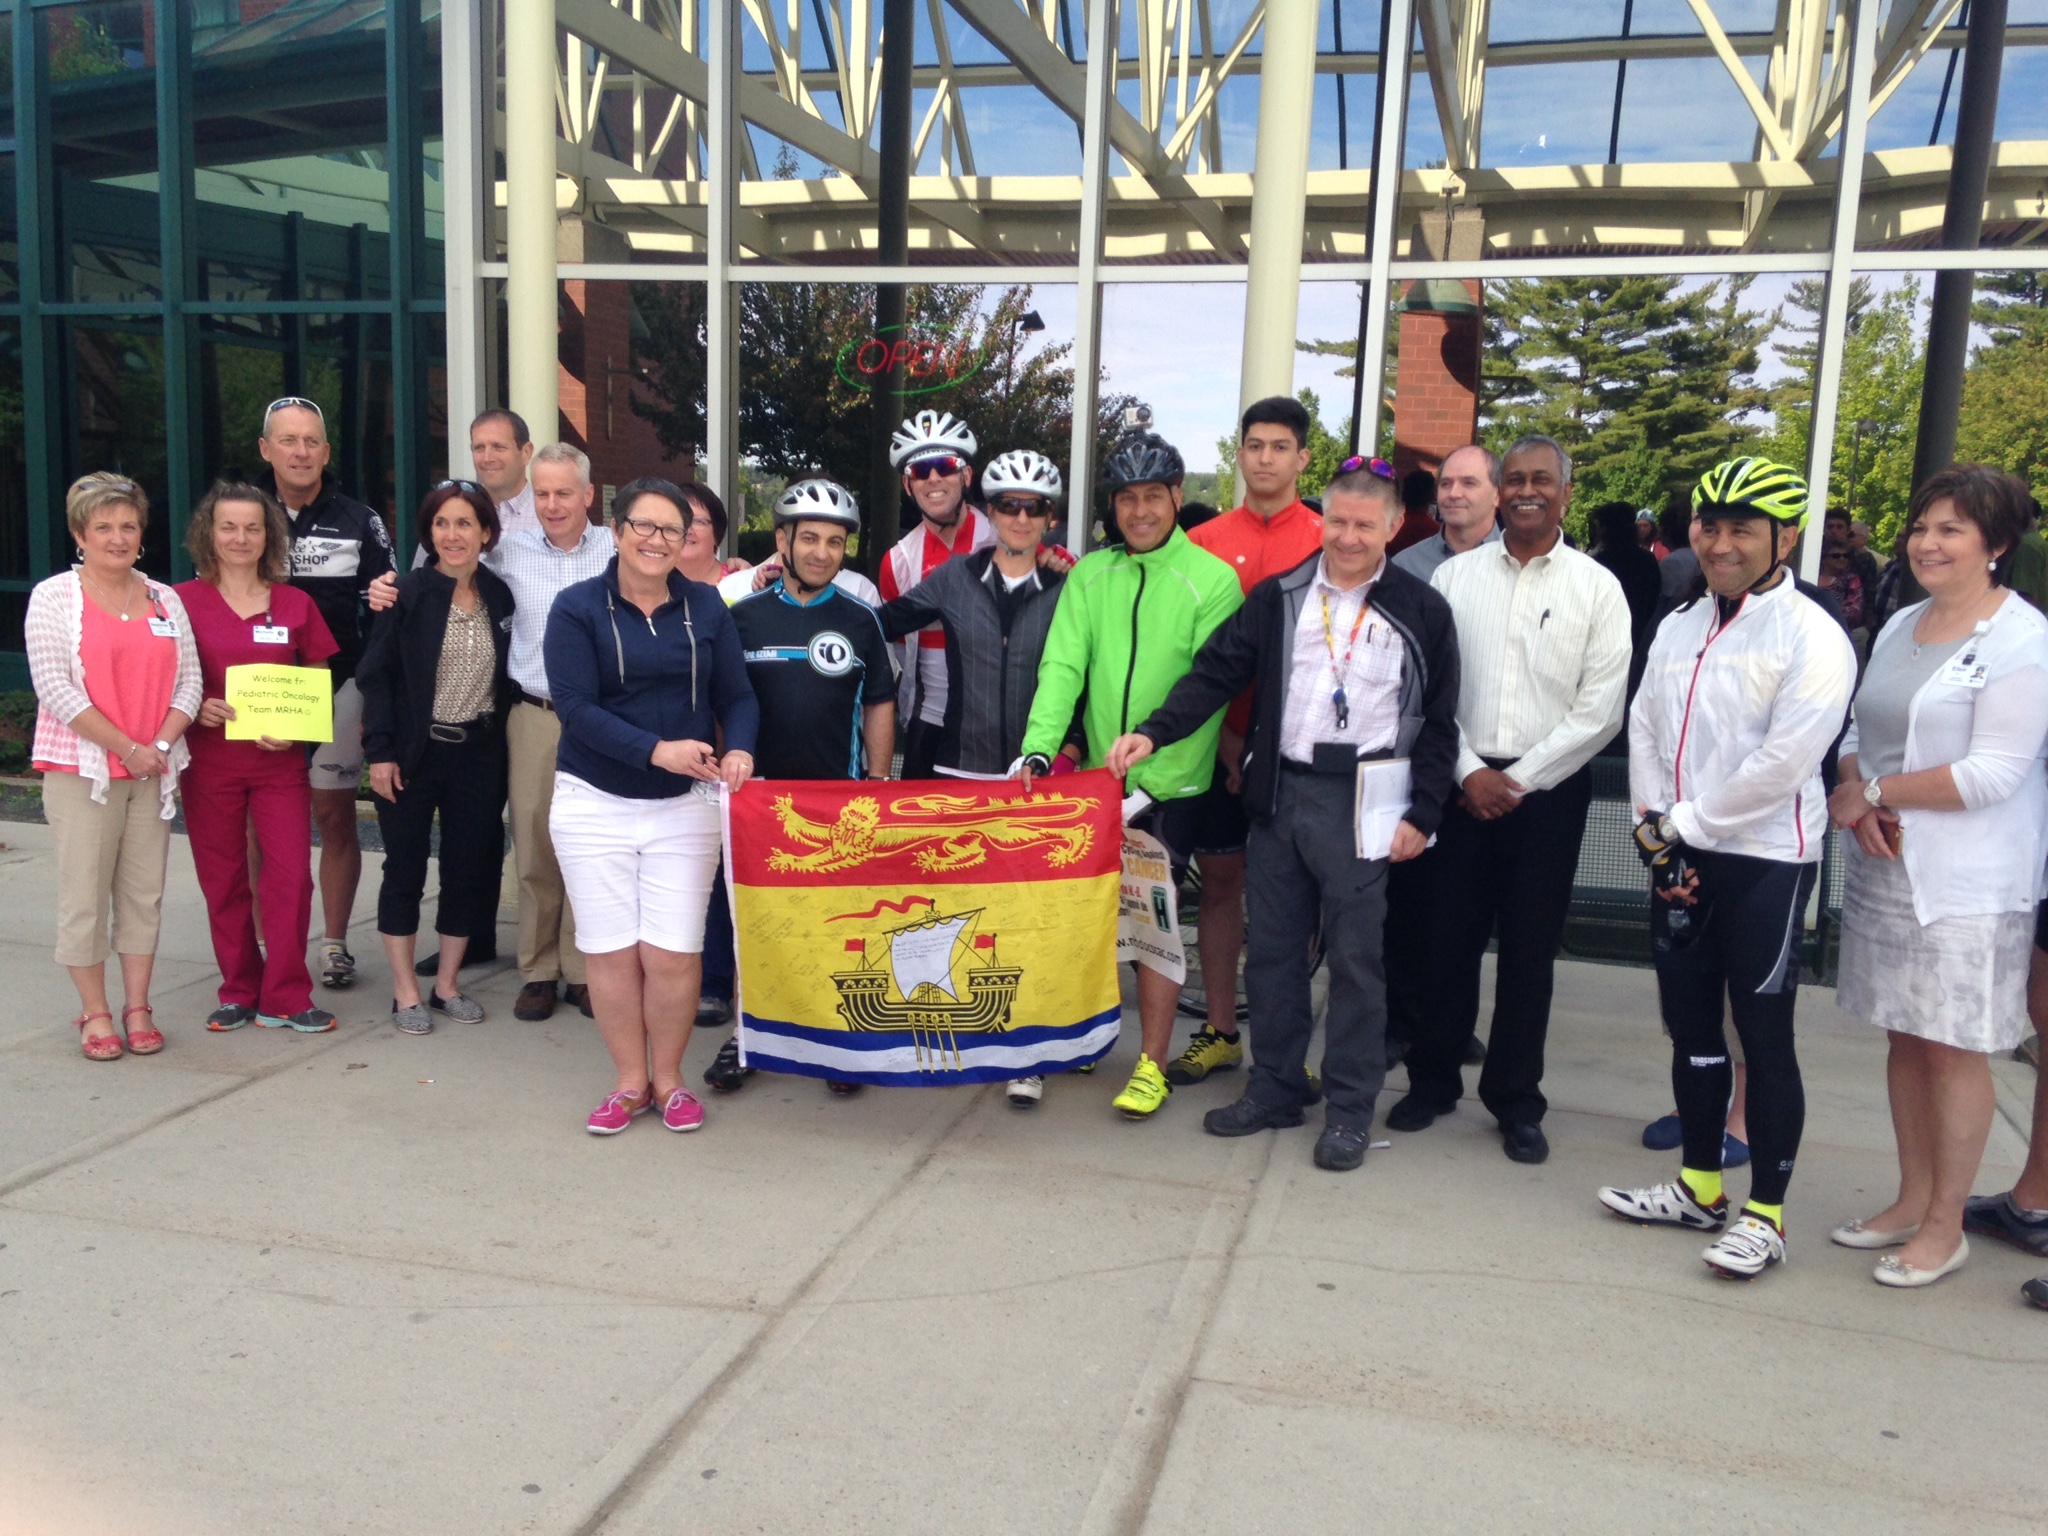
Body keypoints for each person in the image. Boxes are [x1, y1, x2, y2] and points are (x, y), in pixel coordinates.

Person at [1106, 457, 1460, 1169]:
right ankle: (1274, 1086)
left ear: (1394, 525)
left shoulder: (1422, 610)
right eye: (1338, 522)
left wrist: (1422, 813)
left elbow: (1439, 721)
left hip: (1364, 801)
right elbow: (1216, 671)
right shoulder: (1281, 596)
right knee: (1271, 951)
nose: (1349, 538)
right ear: (1322, 520)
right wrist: (1155, 731)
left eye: (1366, 525)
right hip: (1281, 794)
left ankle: (1350, 1108)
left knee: (1356, 962)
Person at [1598, 457, 1855, 1280]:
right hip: (1679, 850)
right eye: (1710, 526)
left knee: (1765, 1037)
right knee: (1692, 1028)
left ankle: (1766, 1217)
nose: (1721, 544)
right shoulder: (1681, 622)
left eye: (1743, 529)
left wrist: (1681, 825)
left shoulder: (1813, 633)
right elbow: (1644, 724)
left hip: (1764, 861)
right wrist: (1655, 831)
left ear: (1786, 537)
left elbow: (1785, 763)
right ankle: (1700, 1188)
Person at [1829, 466, 2048, 1289]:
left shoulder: (2022, 639)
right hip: (1887, 862)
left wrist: (1875, 794)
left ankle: (1946, 1226)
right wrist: (1861, 795)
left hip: (1967, 883)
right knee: (1905, 1035)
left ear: (1997, 543)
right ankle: (1911, 1197)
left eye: (1951, 529)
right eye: (1922, 527)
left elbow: (1994, 772)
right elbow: (1858, 728)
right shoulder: (1901, 624)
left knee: (1954, 1048)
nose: (1928, 543)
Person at [1387, 435, 1632, 1164]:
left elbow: (1601, 710)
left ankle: (1516, 1099)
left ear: (1566, 493)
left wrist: (1517, 779)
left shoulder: (1598, 588)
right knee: (1445, 941)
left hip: (1548, 792)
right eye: (1516, 479)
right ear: (1500, 492)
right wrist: (1468, 772)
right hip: (1459, 782)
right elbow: (1428, 686)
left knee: (1530, 951)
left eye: (1542, 480)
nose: (1528, 490)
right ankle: (1432, 1081)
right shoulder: (1454, 578)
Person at [1016, 432, 1242, 1120]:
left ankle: (1151, 1063)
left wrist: (1155, 768)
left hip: (1170, 785)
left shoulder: (1211, 579)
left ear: (1176, 496)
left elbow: (1207, 689)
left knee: (1154, 927)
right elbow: (1063, 666)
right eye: (1126, 498)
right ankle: (1089, 1036)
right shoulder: (1091, 574)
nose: (1140, 511)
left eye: (1153, 496)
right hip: (1096, 780)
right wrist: (1038, 749)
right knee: (1089, 916)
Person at [543, 479, 758, 1135]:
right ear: (617, 530)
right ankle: (629, 1082)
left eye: (673, 529)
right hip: (592, 801)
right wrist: (656, 750)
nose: (658, 540)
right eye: (645, 525)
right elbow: (575, 708)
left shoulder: (706, 606)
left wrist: (740, 748)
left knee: (672, 954)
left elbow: (737, 697)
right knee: (610, 952)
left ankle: (669, 1081)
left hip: (685, 805)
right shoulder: (577, 607)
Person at [876, 448, 1073, 1107]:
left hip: (1037, 774)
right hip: (961, 761)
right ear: (991, 510)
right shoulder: (954, 578)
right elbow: (879, 622)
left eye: (1034, 507)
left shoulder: (1070, 584)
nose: (1020, 517)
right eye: (1008, 505)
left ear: (1050, 517)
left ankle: (1027, 1049)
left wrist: (1070, 748)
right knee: (955, 906)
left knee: (1029, 910)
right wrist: (771, 580)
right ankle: (958, 1026)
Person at [706, 479, 896, 1098]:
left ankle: (837, 1040)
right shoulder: (742, 617)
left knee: (833, 923)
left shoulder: (861, 620)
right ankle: (749, 1035)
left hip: (837, 798)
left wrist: (877, 783)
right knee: (754, 923)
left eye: (835, 542)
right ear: (782, 540)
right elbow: (721, 703)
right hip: (756, 800)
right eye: (809, 538)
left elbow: (880, 704)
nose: (821, 552)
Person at [1166, 397, 1326, 1088]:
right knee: (1222, 884)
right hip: (1214, 745)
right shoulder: (1200, 540)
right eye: (1254, 445)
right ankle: (1221, 1030)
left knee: (1297, 898)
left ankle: (1288, 1051)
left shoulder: (1328, 538)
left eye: (1279, 446)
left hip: (1297, 750)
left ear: (1302, 458)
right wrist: (1228, 739)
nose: (1264, 458)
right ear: (1240, 454)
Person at [27, 473, 202, 1060]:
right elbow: (55, 688)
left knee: (143, 895)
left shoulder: (164, 598)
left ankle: (138, 1006)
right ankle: (95, 1011)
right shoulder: (54, 597)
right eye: (103, 527)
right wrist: (128, 748)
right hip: (84, 772)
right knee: (85, 896)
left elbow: (191, 680)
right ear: (80, 535)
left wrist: (159, 746)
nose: (118, 537)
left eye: (128, 526)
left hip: (151, 771)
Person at [177, 482, 338, 1034]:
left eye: (253, 527)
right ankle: (239, 989)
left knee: (291, 877)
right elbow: (164, 676)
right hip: (210, 762)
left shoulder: (295, 603)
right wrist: (195, 705)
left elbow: (317, 677)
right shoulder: (179, 602)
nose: (240, 538)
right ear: (209, 533)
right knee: (223, 879)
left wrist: (297, 728)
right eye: (228, 526)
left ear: (269, 535)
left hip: (278, 767)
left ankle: (287, 994)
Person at [355, 482, 515, 1035]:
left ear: (486, 533)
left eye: (465, 523)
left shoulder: (500, 595)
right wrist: (380, 753)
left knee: (466, 869)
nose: (452, 535)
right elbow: (376, 677)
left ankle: (447, 985)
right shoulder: (404, 593)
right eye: (441, 524)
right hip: (411, 755)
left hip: (478, 755)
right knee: (404, 868)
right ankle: (405, 992)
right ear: (429, 533)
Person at [255, 396, 394, 992]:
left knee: (334, 814)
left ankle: (334, 942)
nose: (301, 451)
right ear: (266, 449)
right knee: (259, 821)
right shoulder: (243, 514)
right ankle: (264, 945)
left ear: (326, 451)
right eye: (288, 440)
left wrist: (375, 699)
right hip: (263, 686)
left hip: (339, 683)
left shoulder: (361, 520)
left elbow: (386, 611)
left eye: (311, 441)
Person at [879, 410, 994, 777]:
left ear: (966, 475)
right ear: (907, 485)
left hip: (993, 727)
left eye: (945, 465)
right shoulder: (897, 561)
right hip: (928, 721)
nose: (933, 478)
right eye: (920, 470)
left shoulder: (1002, 542)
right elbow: (899, 652)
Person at [1392, 443, 1500, 583]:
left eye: (1469, 483)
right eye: (1445, 484)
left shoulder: (1519, 564)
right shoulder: (1405, 566)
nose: (1454, 494)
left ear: (1498, 495)